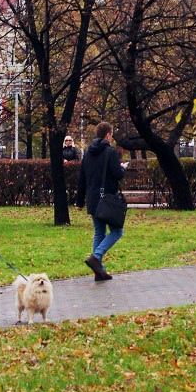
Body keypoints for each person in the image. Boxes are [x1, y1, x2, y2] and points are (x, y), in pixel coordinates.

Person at [75, 121, 127, 282]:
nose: (112, 137)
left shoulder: (88, 153)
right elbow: (117, 174)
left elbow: (82, 179)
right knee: (117, 232)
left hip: (92, 199)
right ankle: (96, 257)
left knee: (99, 232)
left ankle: (99, 271)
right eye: (111, 134)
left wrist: (79, 201)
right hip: (107, 200)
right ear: (107, 135)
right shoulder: (110, 152)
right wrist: (123, 168)